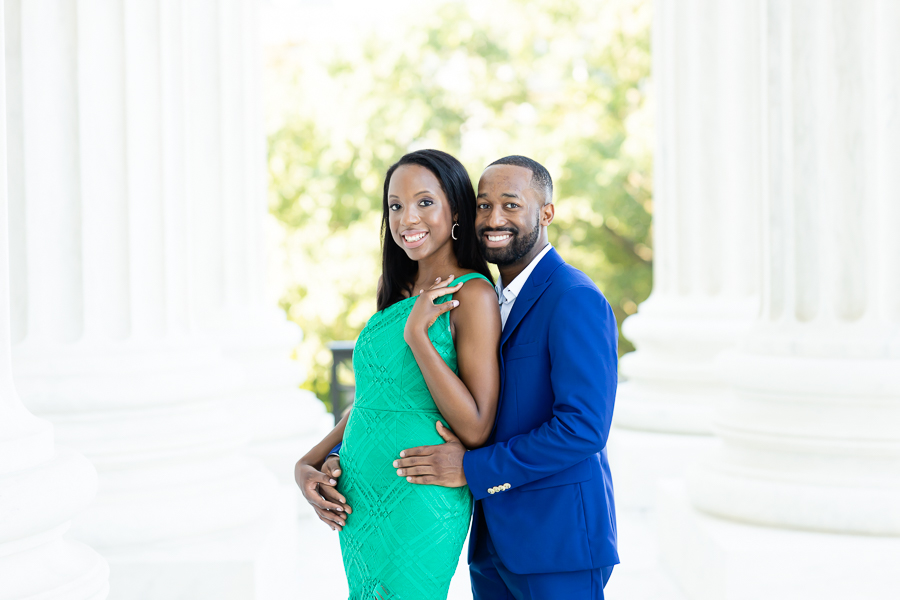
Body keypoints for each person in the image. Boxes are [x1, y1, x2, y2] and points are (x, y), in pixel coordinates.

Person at [392, 156, 619, 599]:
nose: (494, 219)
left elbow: (583, 429)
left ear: (546, 213)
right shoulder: (481, 300)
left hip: (559, 544)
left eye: (511, 205)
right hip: (493, 544)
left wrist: (473, 468)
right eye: (483, 205)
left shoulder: (574, 298)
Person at [294, 149, 502, 600]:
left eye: (425, 202)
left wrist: (419, 337)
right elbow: (373, 399)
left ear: (456, 212)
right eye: (395, 205)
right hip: (360, 493)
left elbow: (477, 425)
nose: (408, 216)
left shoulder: (474, 294)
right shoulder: (400, 291)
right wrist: (308, 462)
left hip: (419, 495)